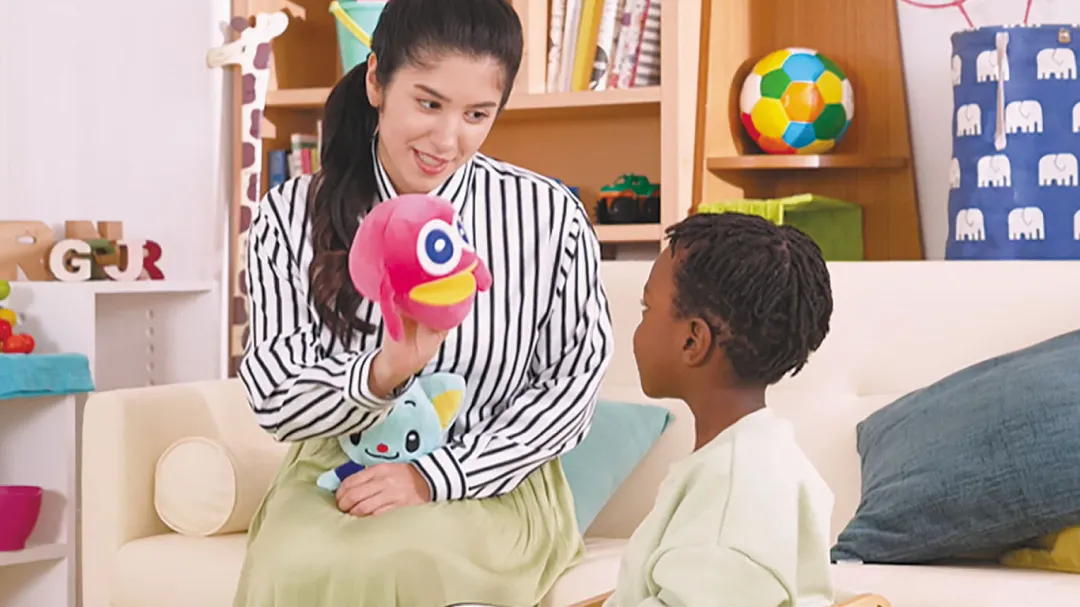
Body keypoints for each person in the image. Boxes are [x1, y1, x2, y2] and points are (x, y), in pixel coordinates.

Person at [232, 0, 614, 605]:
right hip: (339, 469)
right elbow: (275, 396)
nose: (447, 139)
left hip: (495, 479)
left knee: (397, 560)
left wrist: (436, 476)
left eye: (477, 114)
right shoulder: (291, 215)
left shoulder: (547, 216)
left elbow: (571, 387)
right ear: (376, 80)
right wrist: (381, 373)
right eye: (429, 104)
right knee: (295, 564)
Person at [601, 212, 837, 607]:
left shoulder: (734, 504)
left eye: (646, 309)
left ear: (693, 341)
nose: (638, 328)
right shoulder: (754, 459)